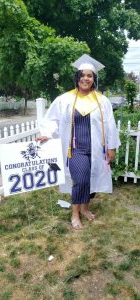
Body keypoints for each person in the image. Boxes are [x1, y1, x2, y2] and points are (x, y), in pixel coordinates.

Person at [36, 54, 121, 230]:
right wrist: (46, 133)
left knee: (90, 180)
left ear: (93, 79)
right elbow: (52, 120)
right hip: (74, 150)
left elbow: (110, 124)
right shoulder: (65, 99)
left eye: (89, 75)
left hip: (96, 148)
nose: (85, 78)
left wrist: (111, 147)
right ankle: (75, 213)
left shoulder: (102, 100)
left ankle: (85, 208)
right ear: (77, 78)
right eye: (82, 75)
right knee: (81, 180)